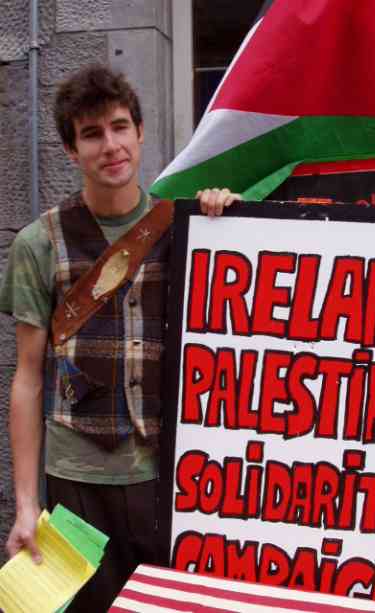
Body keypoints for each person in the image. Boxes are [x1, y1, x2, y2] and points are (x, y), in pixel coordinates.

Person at [0, 64, 241, 612]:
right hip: (77, 481)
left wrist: (227, 220)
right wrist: (24, 504)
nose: (110, 145)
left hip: (173, 477)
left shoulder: (191, 229)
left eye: (118, 127)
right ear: (70, 149)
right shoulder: (39, 243)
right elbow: (28, 378)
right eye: (91, 134)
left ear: (139, 132)